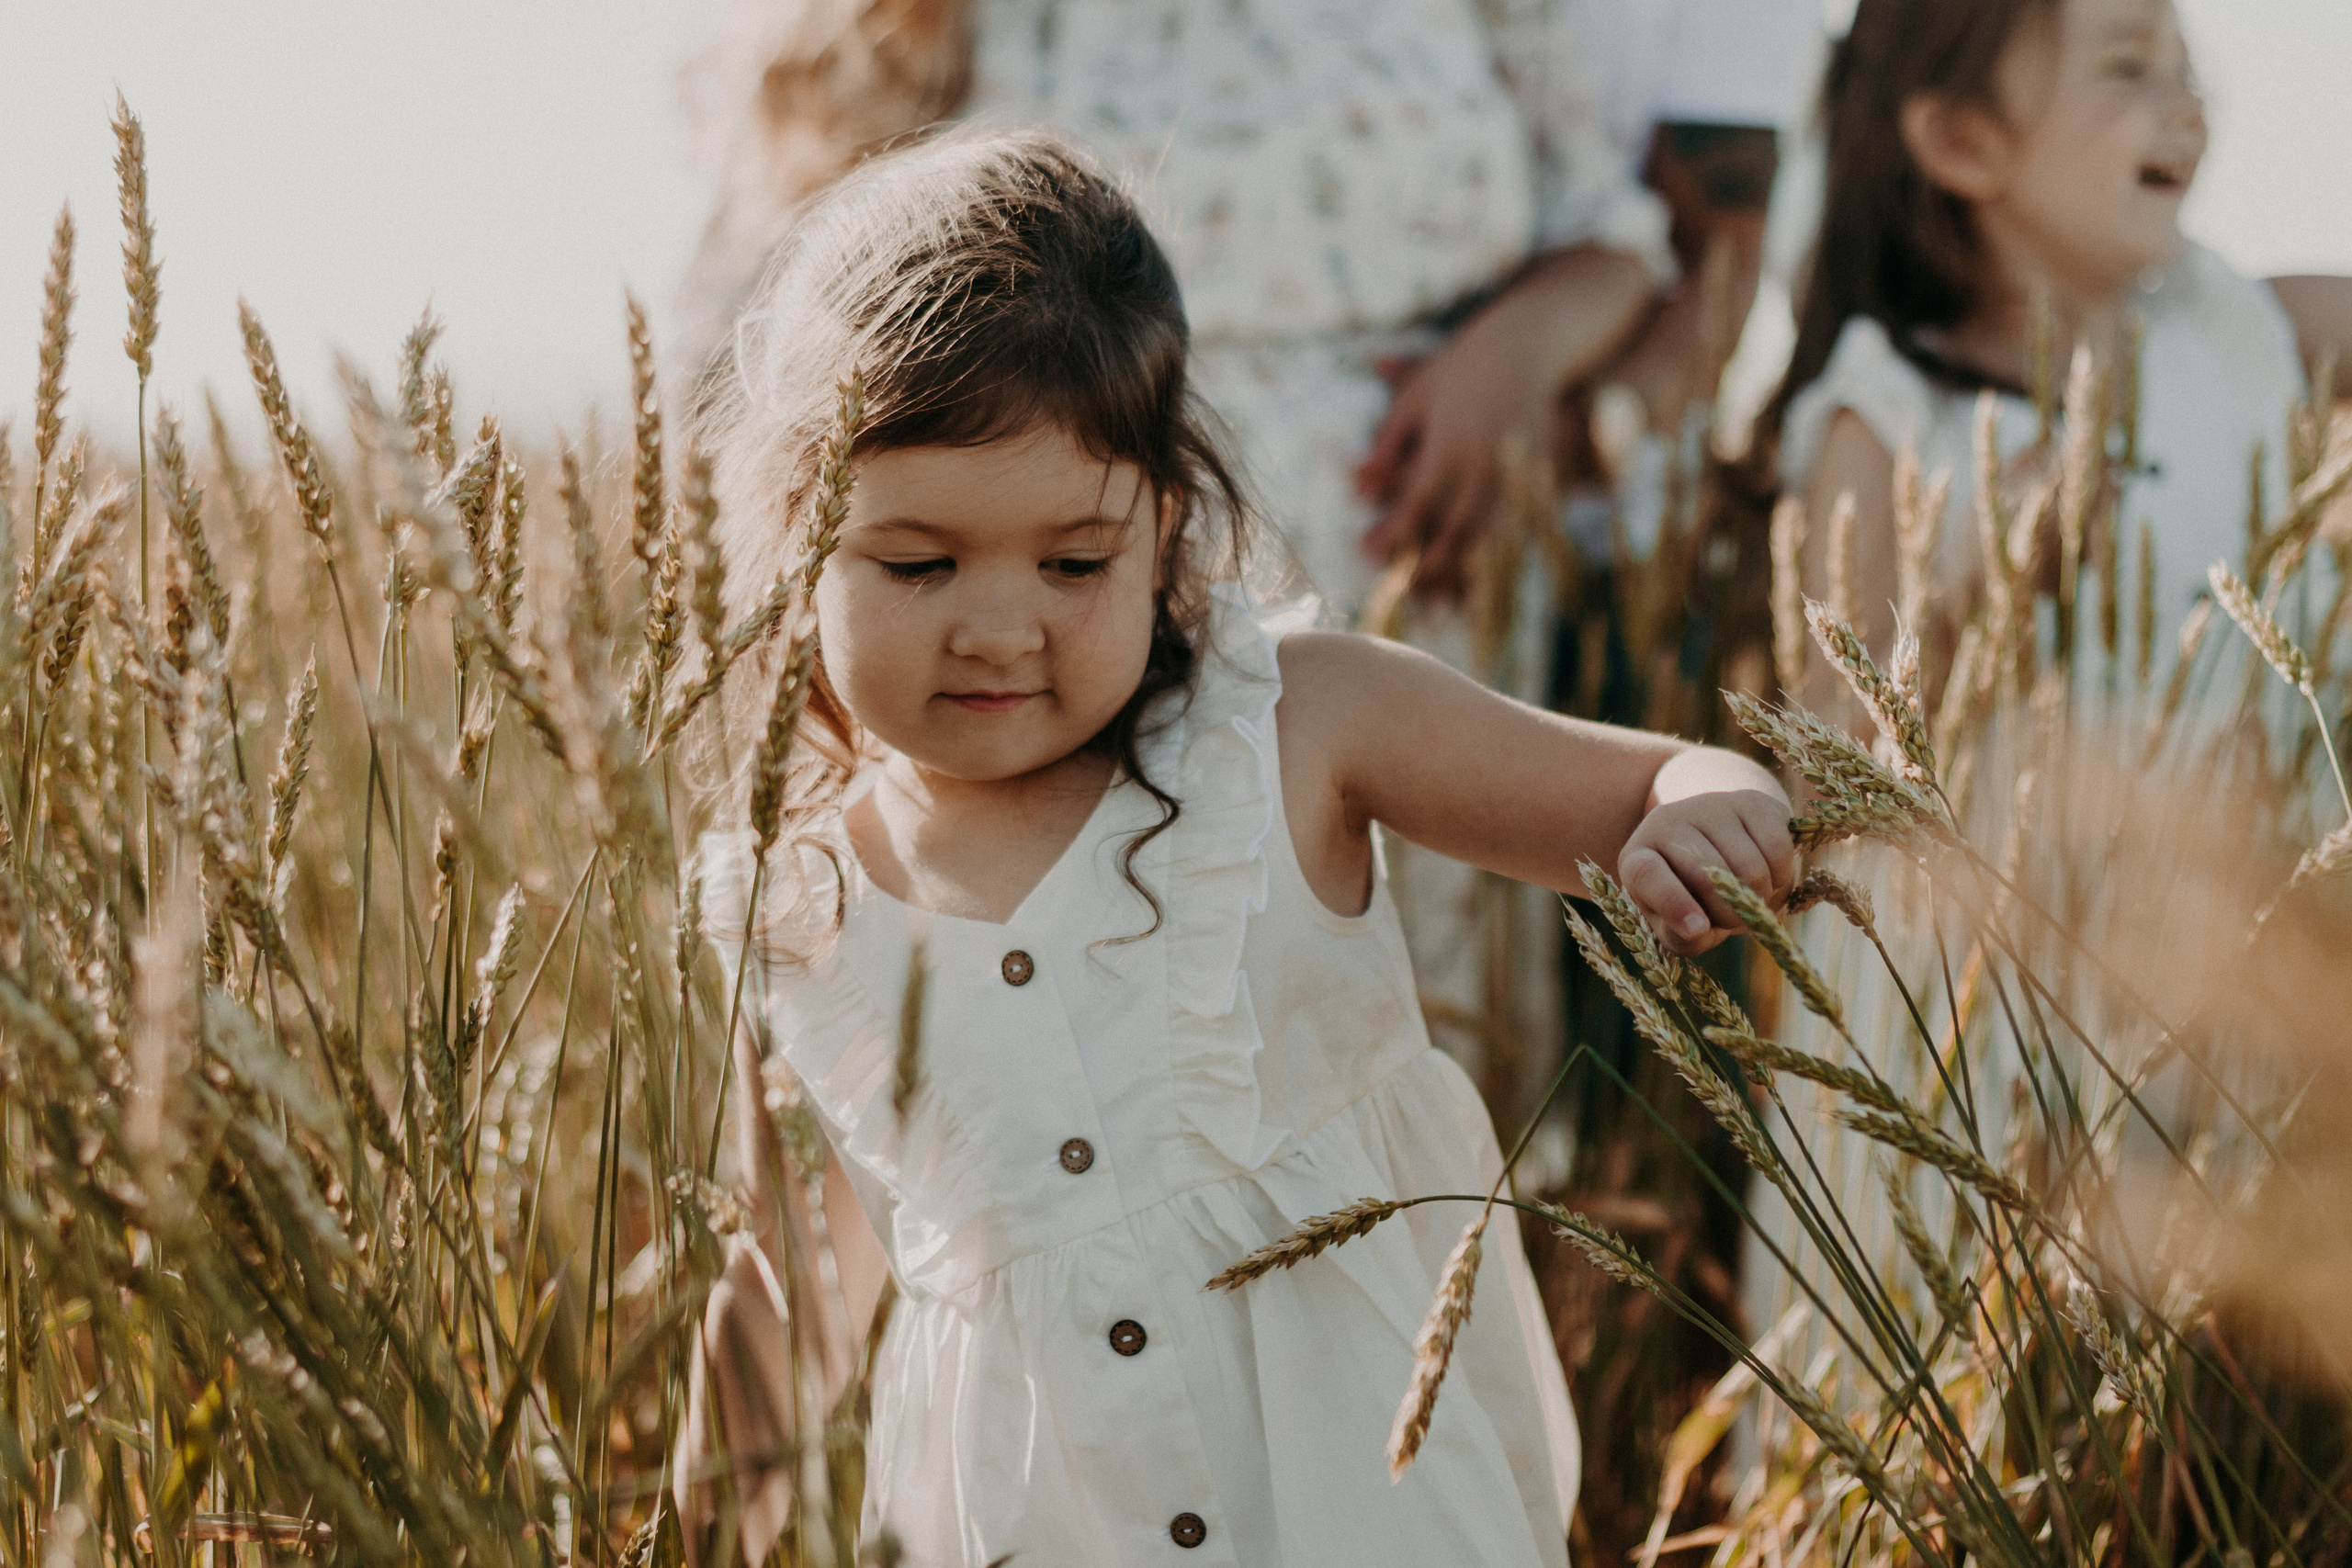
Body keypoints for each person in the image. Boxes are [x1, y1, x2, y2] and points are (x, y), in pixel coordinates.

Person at [682, 130, 1796, 1566]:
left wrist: (1711, 804)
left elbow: (1647, 782)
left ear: (1166, 524)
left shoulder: (1296, 725)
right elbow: (790, 1290)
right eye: (917, 562)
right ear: (795, 546)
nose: (1001, 624)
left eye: (1075, 561)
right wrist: (700, 1520)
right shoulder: (803, 906)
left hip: (1369, 1500)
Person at [670, 0, 1683, 1119]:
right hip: (1005, 704)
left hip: (1412, 617)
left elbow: (1616, 236)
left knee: (1386, 1094)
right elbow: (745, 350)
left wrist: (1514, 357)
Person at [1738, 0, 2352, 1370]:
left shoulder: (2243, 325)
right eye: (2130, 68)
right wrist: (1982, 572)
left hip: (2230, 969)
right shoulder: (1891, 399)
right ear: (1963, 140)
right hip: (1984, 1015)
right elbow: (1828, 745)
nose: (2188, 104)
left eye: (2192, 69)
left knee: (2214, 1359)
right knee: (1981, 1362)